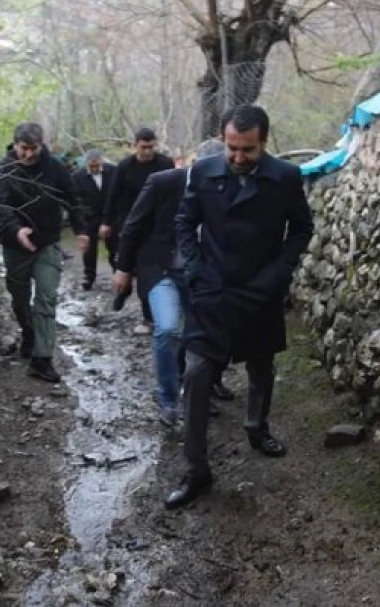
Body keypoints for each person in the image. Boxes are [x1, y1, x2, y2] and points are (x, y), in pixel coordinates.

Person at [166, 105, 314, 510]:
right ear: (224, 140)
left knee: (261, 365)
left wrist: (279, 273)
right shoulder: (203, 170)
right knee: (197, 373)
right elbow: (184, 221)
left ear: (263, 143)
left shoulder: (285, 177)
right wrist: (195, 270)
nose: (238, 157)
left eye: (247, 150)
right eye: (232, 148)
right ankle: (196, 469)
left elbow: (302, 227)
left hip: (260, 288)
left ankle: (256, 426)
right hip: (211, 288)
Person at [113, 140, 227, 426]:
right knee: (167, 329)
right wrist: (123, 268)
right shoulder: (162, 183)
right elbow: (134, 224)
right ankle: (168, 398)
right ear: (192, 163)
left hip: (201, 274)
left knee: (199, 337)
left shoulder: (225, 187)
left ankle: (197, 392)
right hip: (161, 267)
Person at [0, 122, 90, 383]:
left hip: (47, 242)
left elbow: (72, 197)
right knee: (19, 298)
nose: (29, 154)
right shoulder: (4, 168)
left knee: (46, 298)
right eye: (24, 149)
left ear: (41, 145)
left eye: (34, 148)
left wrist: (81, 229)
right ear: (15, 144)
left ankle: (42, 359)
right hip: (15, 245)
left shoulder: (54, 166)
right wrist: (17, 230)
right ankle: (28, 331)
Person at [100, 128, 174, 321]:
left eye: (151, 147)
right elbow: (113, 195)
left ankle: (148, 314)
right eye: (144, 147)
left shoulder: (165, 164)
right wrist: (106, 222)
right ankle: (123, 292)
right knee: (125, 264)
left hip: (156, 225)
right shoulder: (125, 166)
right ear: (135, 146)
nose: (148, 151)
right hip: (129, 223)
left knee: (146, 269)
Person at [72, 151, 117, 290]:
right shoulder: (77, 177)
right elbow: (76, 201)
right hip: (89, 217)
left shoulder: (113, 171)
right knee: (89, 249)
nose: (94, 168)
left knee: (114, 246)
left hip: (111, 215)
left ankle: (118, 273)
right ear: (86, 164)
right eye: (91, 166)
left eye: (96, 165)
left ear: (101, 162)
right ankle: (89, 277)